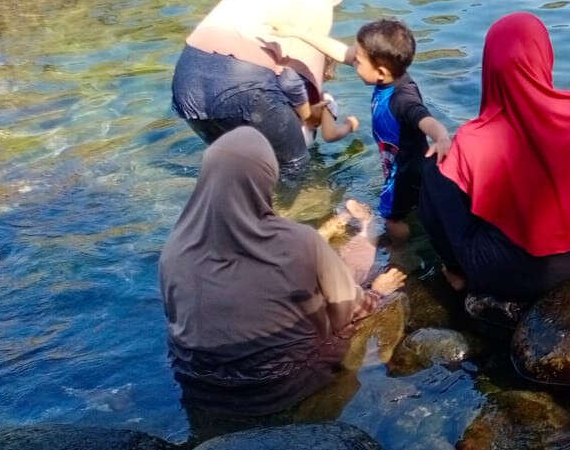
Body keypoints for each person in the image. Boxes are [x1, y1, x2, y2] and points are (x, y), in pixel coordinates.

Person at [158, 127, 405, 417]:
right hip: (282, 386)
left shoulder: (173, 250)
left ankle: (347, 231)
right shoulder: (299, 241)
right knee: (370, 287)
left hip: (200, 387)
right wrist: (379, 291)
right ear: (266, 180)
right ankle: (367, 229)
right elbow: (346, 313)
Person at [418, 12, 570, 306]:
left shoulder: (472, 143)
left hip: (519, 277)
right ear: (544, 56)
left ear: (489, 69)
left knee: (435, 167)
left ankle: (457, 272)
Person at [171, 0, 353, 176]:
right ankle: (307, 212)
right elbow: (294, 80)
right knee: (294, 167)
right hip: (240, 85)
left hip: (187, 87)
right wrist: (311, 114)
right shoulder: (315, 2)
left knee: (236, 170)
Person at [351, 18, 453, 243]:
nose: (352, 62)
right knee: (416, 204)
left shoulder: (402, 98)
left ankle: (401, 254)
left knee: (392, 218)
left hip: (405, 172)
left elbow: (423, 118)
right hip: (405, 165)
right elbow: (345, 54)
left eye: (357, 61)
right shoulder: (390, 77)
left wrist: (441, 136)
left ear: (380, 71)